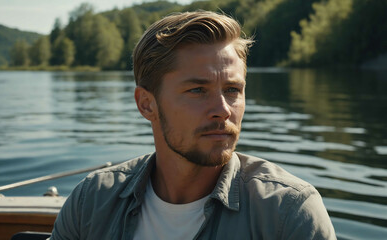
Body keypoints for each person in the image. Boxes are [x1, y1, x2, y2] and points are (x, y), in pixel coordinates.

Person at [50, 11, 336, 240]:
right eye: (198, 90)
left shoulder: (287, 212)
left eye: (233, 90)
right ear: (147, 104)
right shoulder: (92, 201)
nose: (223, 110)